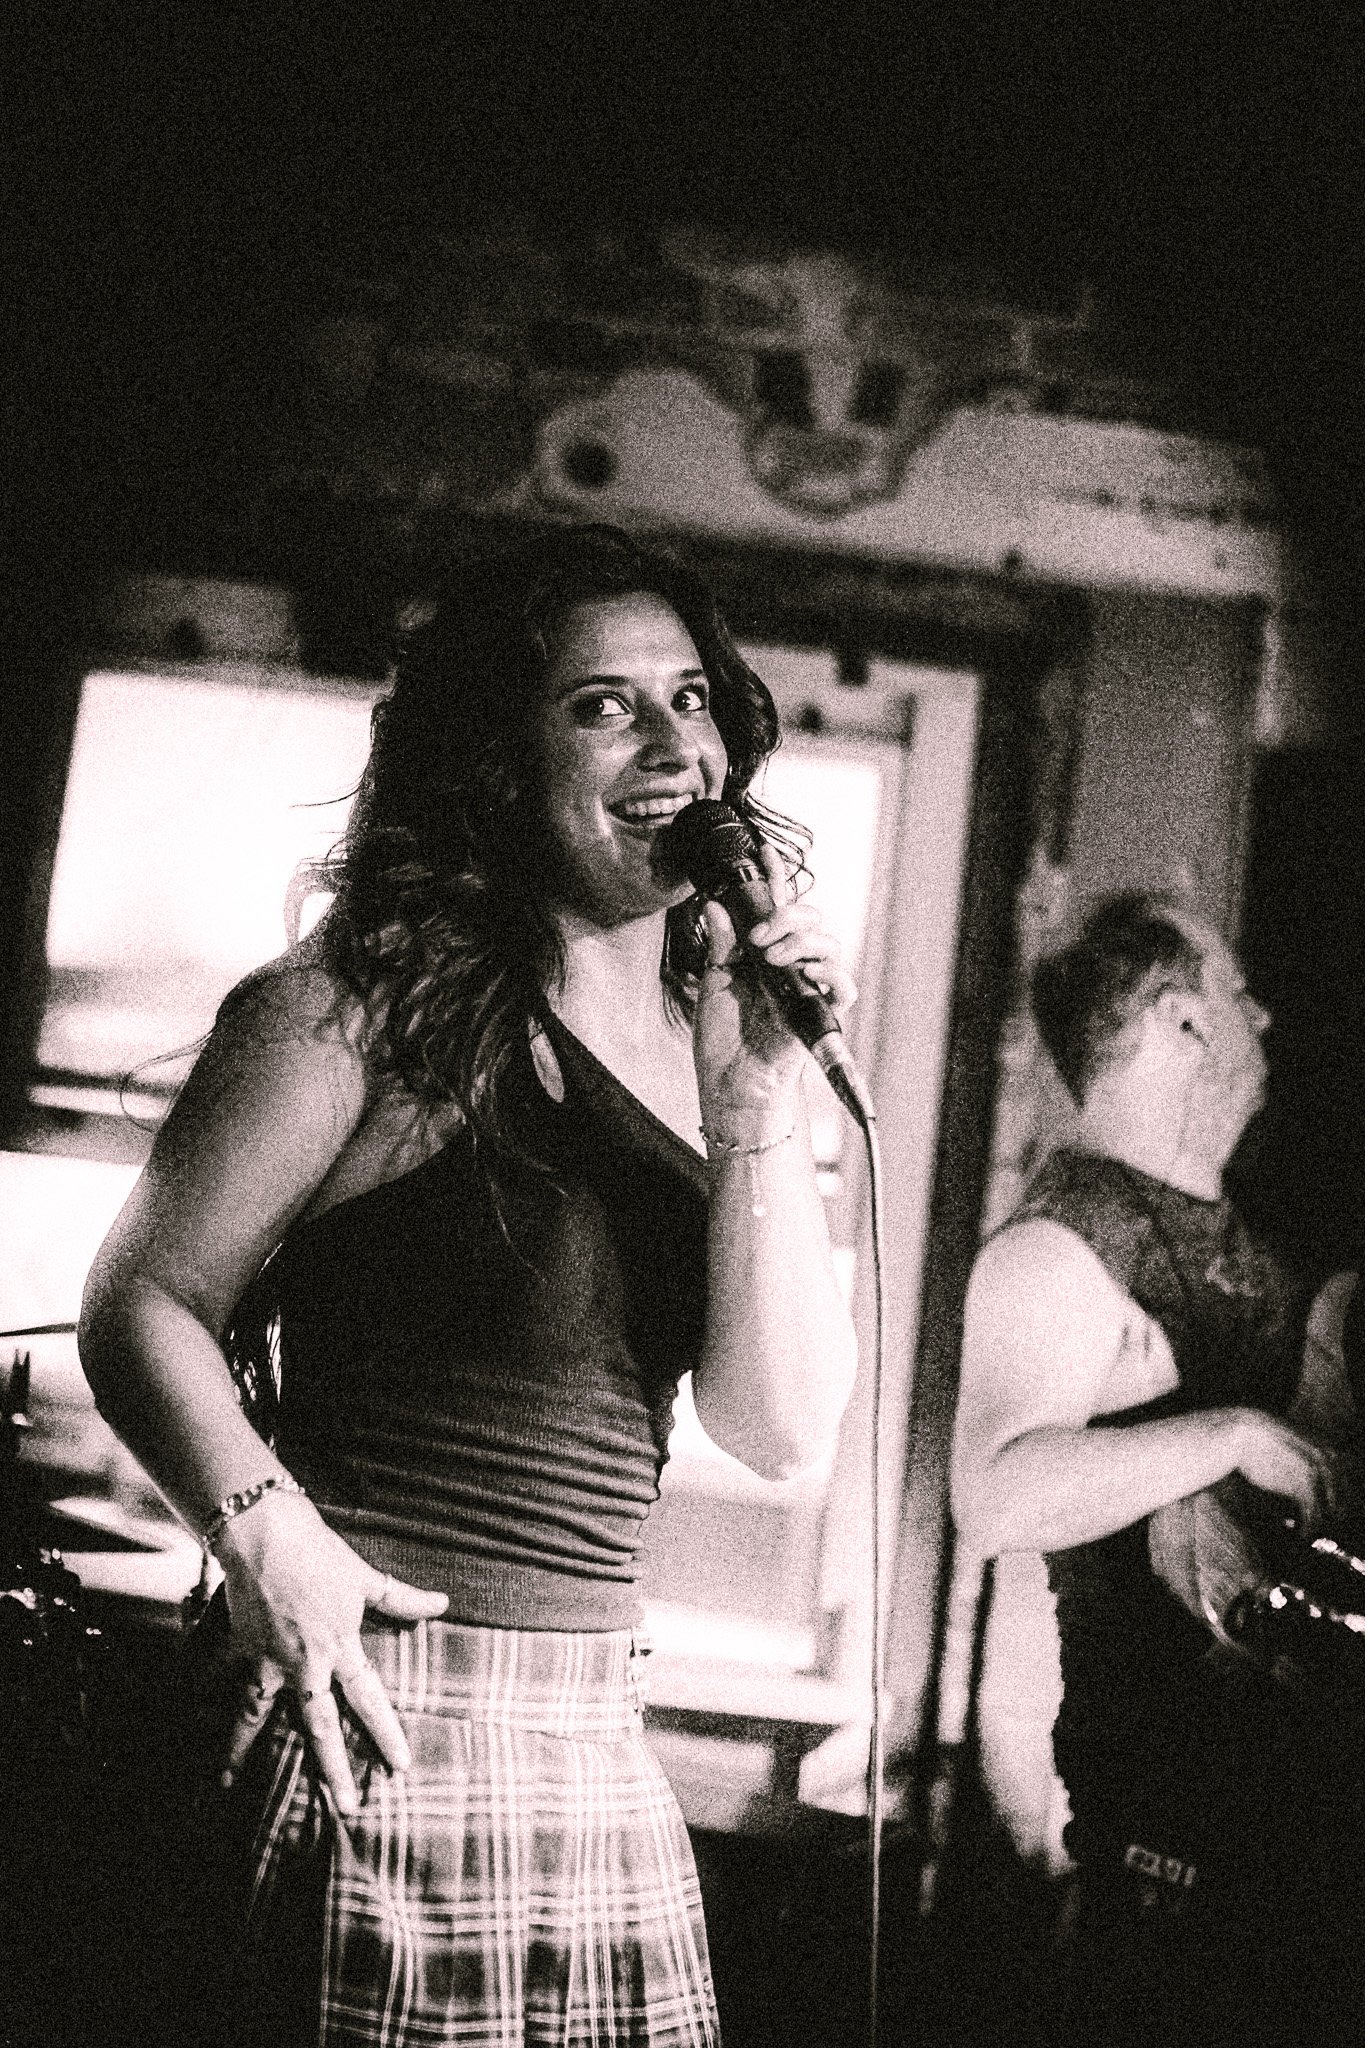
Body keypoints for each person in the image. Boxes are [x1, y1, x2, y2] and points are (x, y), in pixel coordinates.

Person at [77, 524, 859, 2048]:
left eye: (690, 698)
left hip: (592, 1742)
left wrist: (758, 1110)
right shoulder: (360, 1003)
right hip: (380, 1705)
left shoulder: (725, 1046)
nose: (670, 744)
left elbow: (776, 1429)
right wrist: (260, 1534)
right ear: (499, 753)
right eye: (601, 705)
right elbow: (142, 1297)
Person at [951, 890, 1365, 2047]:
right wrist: (1228, 1434)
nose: (1265, 1017)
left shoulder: (1224, 1227)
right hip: (1169, 1871)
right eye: (1239, 995)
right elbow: (992, 1495)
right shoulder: (1062, 1241)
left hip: (1278, 1858)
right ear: (1183, 1022)